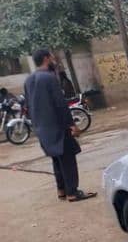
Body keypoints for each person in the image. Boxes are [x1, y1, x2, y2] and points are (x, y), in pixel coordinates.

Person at [24, 49, 96, 202]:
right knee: (68, 158)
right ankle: (72, 192)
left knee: (57, 159)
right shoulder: (49, 78)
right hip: (58, 126)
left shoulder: (28, 80)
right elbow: (60, 104)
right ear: (46, 59)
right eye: (51, 57)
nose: (54, 60)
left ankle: (61, 190)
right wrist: (72, 125)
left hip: (42, 128)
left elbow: (28, 106)